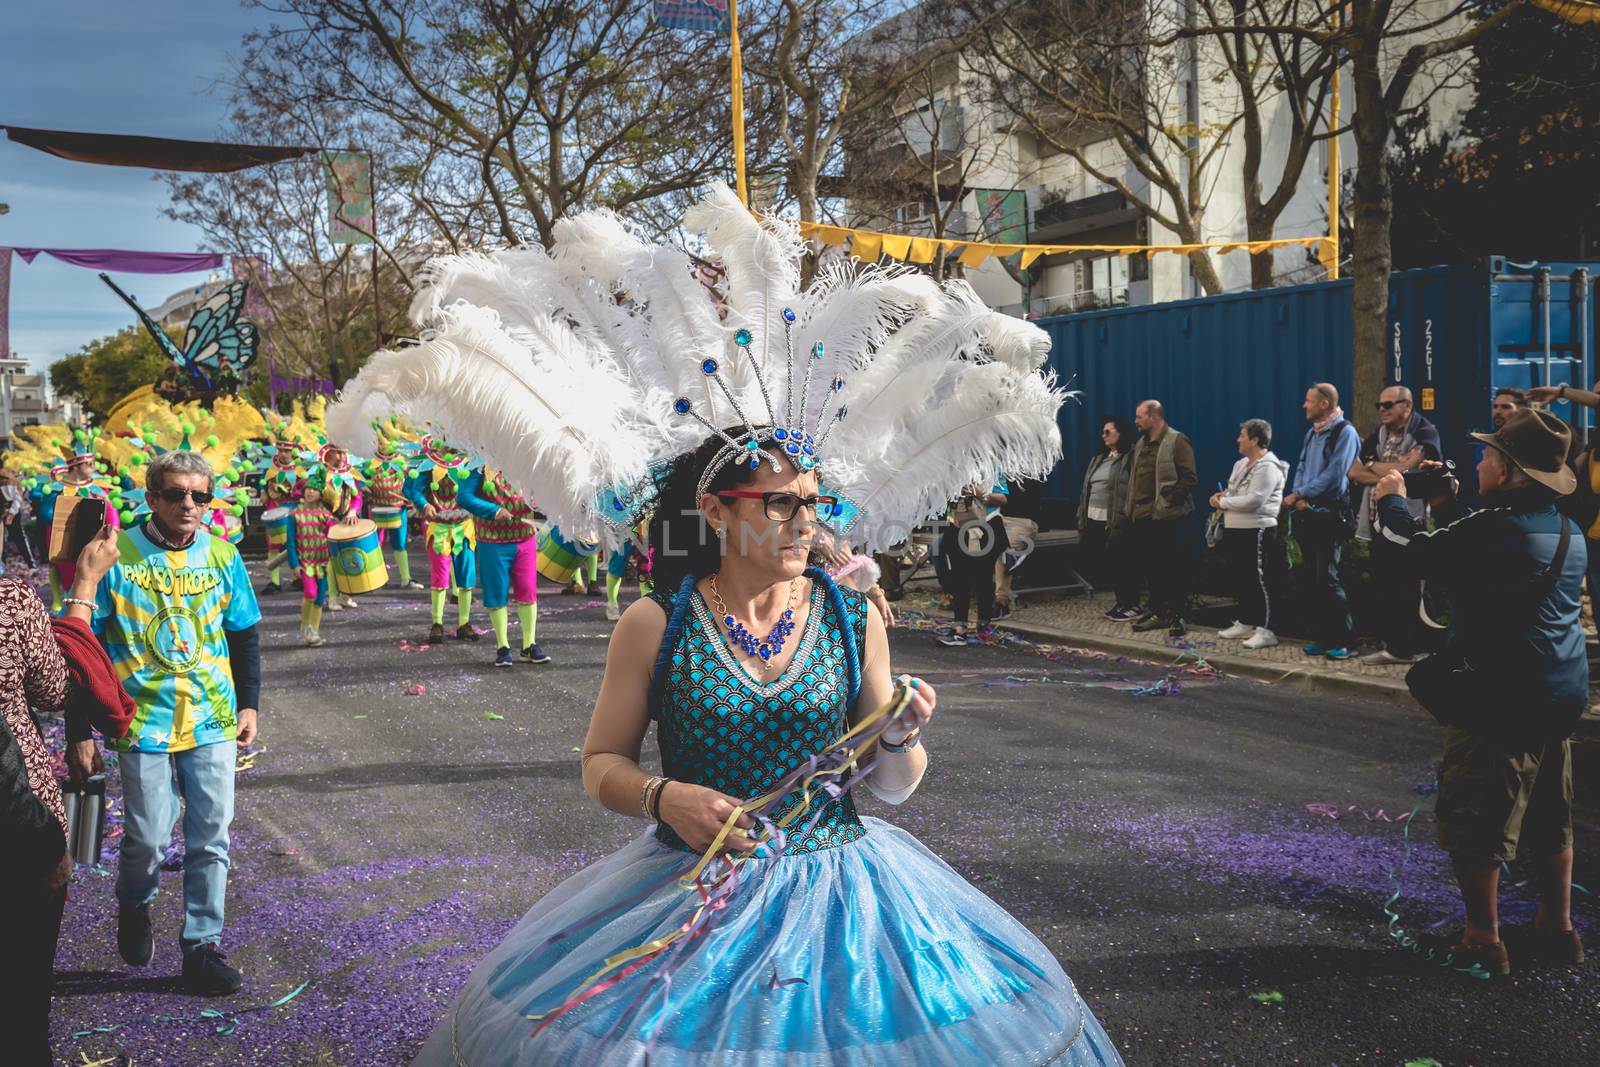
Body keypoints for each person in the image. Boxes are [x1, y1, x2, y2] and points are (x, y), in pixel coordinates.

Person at [362, 188, 1121, 1066]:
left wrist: (901, 736)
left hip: (848, 905)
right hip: (686, 897)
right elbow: (600, 764)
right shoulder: (656, 623)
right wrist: (664, 797)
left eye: (813, 504)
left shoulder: (850, 615)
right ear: (719, 515)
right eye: (782, 506)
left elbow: (893, 787)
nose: (806, 522)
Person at [1374, 409, 1588, 976]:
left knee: (1475, 822)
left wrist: (1391, 496)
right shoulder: (1560, 527)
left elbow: (1410, 551)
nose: (1479, 463)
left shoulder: (1493, 531)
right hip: (1558, 691)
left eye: (1488, 456)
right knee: (1549, 819)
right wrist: (1446, 504)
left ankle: (1482, 941)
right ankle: (1557, 927)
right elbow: (1484, 550)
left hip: (1501, 699)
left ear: (1511, 472)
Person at [70, 450, 262, 997]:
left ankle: (201, 946)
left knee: (212, 837)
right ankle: (135, 902)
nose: (189, 505)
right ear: (151, 498)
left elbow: (244, 631)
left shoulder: (224, 555)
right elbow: (83, 647)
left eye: (200, 495)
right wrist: (81, 731)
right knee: (149, 836)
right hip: (140, 720)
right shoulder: (113, 556)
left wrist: (249, 703)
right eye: (176, 494)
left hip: (212, 716)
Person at [1, 526, 124, 1062]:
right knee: (22, 977)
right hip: (15, 806)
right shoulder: (9, 601)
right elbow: (55, 687)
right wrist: (85, 587)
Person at [1348, 385, 1442, 664]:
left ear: (1407, 406)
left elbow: (1408, 474)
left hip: (1407, 521)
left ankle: (1410, 647)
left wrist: (1377, 469)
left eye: (1387, 405)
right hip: (1378, 521)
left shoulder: (1424, 432)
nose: (1381, 410)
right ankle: (1394, 647)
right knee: (1385, 585)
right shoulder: (1377, 435)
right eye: (1379, 405)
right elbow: (1354, 471)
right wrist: (1393, 470)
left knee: (1408, 587)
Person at [1282, 383, 1362, 660]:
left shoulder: (1345, 432)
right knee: (1313, 579)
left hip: (1330, 516)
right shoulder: (1312, 434)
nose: (1304, 405)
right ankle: (1324, 637)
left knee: (1328, 577)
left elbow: (1336, 475)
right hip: (1307, 513)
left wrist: (1302, 494)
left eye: (1309, 400)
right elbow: (1302, 466)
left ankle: (1347, 641)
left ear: (1325, 403)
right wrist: (1298, 495)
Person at [1209, 419, 1289, 650]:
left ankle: (1267, 629)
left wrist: (1223, 502)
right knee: (1242, 576)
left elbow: (1254, 500)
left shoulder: (1268, 467)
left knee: (1260, 578)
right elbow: (1234, 491)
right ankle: (1246, 621)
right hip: (1236, 528)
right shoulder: (1240, 464)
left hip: (1258, 528)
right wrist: (1219, 498)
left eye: (1242, 435)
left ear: (1255, 439)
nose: (1238, 439)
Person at [458, 465, 549, 667]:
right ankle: (503, 646)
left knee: (527, 590)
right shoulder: (477, 464)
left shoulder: (527, 460)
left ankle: (529, 645)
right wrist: (494, 510)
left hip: (525, 537)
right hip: (492, 541)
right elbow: (464, 497)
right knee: (497, 593)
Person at [1125, 400, 1197, 636]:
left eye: (1139, 416)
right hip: (1144, 517)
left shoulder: (1177, 440)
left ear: (1153, 417)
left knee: (1172, 569)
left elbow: (1189, 477)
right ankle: (1156, 611)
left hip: (1168, 518)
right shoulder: (1140, 444)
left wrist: (1171, 499)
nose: (1136, 421)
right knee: (1152, 568)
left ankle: (1178, 615)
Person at [403, 435, 480, 644]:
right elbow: (417, 490)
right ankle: (437, 623)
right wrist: (424, 504)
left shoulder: (472, 461)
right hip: (438, 527)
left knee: (466, 577)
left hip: (464, 527)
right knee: (440, 577)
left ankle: (464, 624)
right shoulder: (430, 462)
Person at [935, 476, 1010, 646]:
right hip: (957, 526)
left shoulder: (993, 465)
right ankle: (960, 627)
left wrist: (979, 493)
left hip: (987, 526)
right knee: (960, 577)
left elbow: (1003, 498)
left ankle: (983, 626)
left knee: (983, 577)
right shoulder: (951, 468)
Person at [1077, 415, 1138, 620]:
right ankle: (1121, 602)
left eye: (1108, 432)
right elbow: (1087, 489)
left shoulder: (1130, 457)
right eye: (1102, 432)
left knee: (1123, 562)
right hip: (1095, 516)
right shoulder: (1099, 458)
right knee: (1111, 563)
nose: (1103, 435)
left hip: (1115, 518)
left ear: (1120, 433)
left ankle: (1131, 604)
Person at [362, 422, 425, 590]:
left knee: (400, 543)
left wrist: (411, 498)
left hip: (398, 508)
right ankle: (377, 578)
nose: (384, 444)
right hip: (376, 508)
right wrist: (365, 489)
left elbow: (412, 481)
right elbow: (360, 481)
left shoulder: (403, 461)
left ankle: (405, 577)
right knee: (376, 544)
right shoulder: (370, 463)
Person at [285, 485, 337, 647]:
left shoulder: (326, 515)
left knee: (320, 598)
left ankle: (313, 631)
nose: (310, 492)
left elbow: (333, 536)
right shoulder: (295, 515)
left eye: (315, 489)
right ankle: (306, 626)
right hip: (305, 563)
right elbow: (291, 542)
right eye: (308, 488)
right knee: (310, 592)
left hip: (323, 563)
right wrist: (294, 564)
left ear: (321, 494)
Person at [1, 469, 37, 567]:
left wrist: (11, 513)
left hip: (11, 509)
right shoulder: (14, 478)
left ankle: (30, 562)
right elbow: (19, 495)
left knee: (18, 536)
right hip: (10, 509)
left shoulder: (14, 478)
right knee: (16, 537)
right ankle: (30, 563)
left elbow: (18, 495)